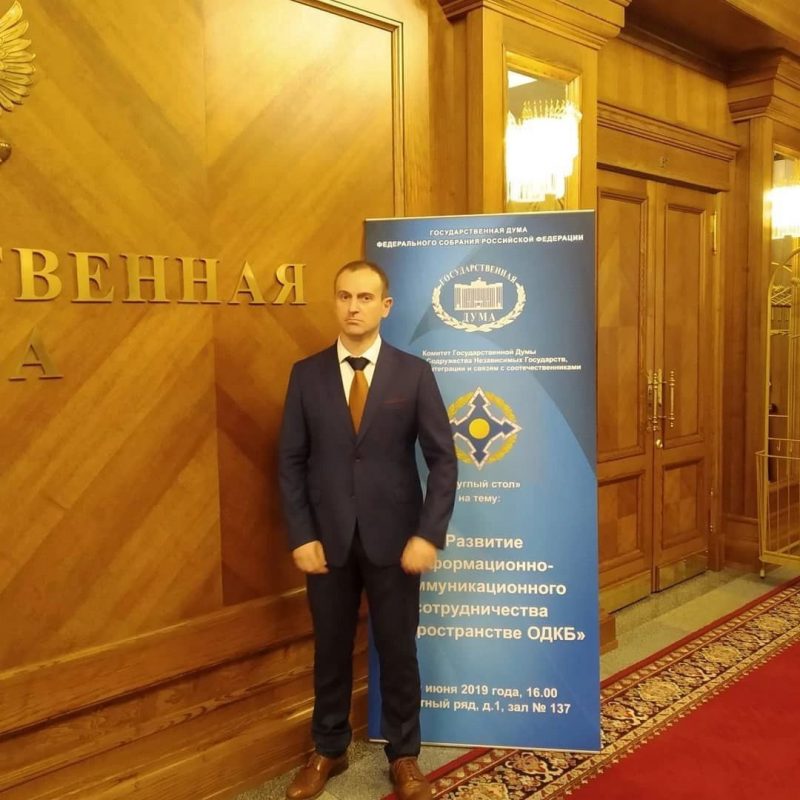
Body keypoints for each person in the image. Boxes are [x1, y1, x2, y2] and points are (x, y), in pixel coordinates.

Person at [278, 260, 457, 800]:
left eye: (364, 297)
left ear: (385, 306)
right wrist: (300, 534)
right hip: (326, 541)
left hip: (396, 541)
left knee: (398, 649)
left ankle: (404, 755)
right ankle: (328, 748)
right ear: (334, 302)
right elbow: (290, 461)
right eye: (344, 296)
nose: (353, 307)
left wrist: (428, 534)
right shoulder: (305, 375)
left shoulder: (413, 373)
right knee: (330, 649)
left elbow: (443, 461)